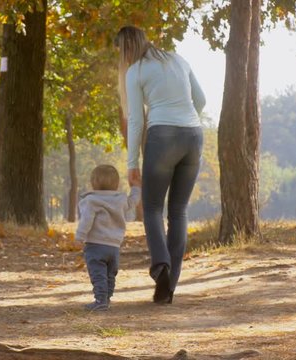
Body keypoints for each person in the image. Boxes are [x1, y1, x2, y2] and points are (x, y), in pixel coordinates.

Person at [115, 25, 206, 304]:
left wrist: (132, 163)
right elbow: (201, 100)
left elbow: (136, 121)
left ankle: (161, 268)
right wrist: (185, 119)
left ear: (126, 48)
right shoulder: (178, 59)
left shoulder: (136, 71)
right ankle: (170, 286)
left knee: (153, 208)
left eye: (120, 51)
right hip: (193, 135)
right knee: (178, 210)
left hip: (162, 136)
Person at [75, 164, 141, 311]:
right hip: (114, 247)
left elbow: (86, 220)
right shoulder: (121, 199)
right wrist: (136, 188)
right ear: (116, 184)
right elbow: (133, 202)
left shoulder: (91, 200)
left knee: (98, 274)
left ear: (93, 183)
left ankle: (100, 301)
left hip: (95, 245)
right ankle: (107, 299)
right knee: (110, 274)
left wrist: (80, 236)